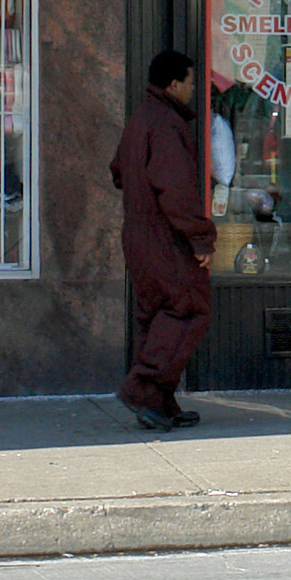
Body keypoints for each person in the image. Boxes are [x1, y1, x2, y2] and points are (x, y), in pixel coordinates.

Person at [110, 49, 214, 433]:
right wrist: (201, 239)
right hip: (164, 236)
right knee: (187, 309)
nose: (192, 89)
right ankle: (145, 391)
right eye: (189, 82)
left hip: (137, 234)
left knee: (155, 316)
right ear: (174, 84)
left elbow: (118, 171)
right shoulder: (168, 125)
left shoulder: (141, 118)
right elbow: (177, 191)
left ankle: (161, 403)